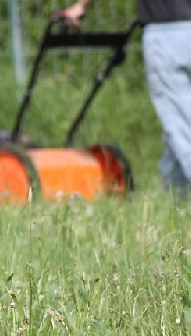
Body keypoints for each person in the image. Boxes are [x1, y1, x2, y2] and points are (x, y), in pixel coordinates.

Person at [63, 1, 191, 195]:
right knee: (176, 128)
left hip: (166, 33)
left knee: (180, 127)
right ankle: (178, 204)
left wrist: (80, 6)